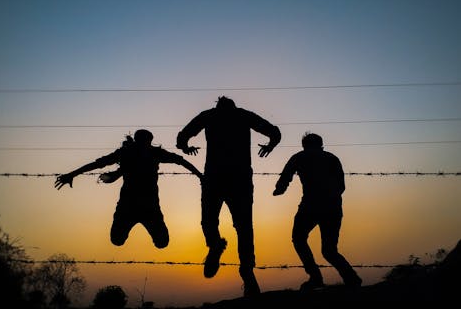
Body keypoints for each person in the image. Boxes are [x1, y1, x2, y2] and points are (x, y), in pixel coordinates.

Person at [176, 96, 281, 296]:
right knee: (244, 226)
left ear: (217, 106)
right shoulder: (243, 115)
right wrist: (270, 146)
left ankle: (215, 244)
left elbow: (183, 136)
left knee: (208, 219)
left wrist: (185, 147)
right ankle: (247, 271)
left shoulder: (209, 115)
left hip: (214, 176)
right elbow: (275, 132)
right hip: (240, 178)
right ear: (234, 106)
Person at [55, 129, 203, 249]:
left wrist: (201, 176)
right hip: (136, 206)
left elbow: (181, 161)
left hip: (142, 206)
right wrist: (72, 174)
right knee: (118, 241)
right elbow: (98, 163)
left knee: (161, 243)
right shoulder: (136, 152)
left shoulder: (140, 153)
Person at [273, 132, 362, 290]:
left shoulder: (299, 157)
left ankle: (315, 277)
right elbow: (341, 186)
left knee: (299, 239)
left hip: (310, 206)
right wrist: (331, 198)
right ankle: (351, 278)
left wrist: (280, 189)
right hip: (333, 207)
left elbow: (286, 175)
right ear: (321, 144)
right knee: (329, 250)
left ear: (304, 145)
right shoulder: (332, 158)